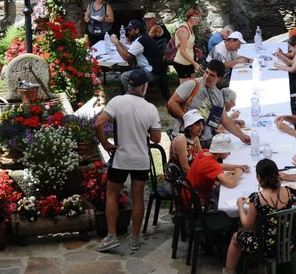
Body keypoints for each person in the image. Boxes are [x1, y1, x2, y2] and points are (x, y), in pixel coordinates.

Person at [215, 159, 296, 274]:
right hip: (286, 245)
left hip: (264, 248)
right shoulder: (290, 192)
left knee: (235, 237)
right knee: (260, 231)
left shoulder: (257, 198)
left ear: (259, 178)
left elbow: (247, 225)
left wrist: (239, 207)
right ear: (277, 175)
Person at [94, 69, 161, 252]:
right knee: (138, 196)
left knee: (111, 195)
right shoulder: (150, 108)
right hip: (141, 159)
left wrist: (106, 143)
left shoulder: (117, 102)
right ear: (143, 87)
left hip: (121, 158)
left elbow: (99, 123)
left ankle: (112, 235)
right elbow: (156, 139)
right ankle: (135, 238)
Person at [167, 59, 251, 148]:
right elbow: (172, 103)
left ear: (219, 78)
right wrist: (188, 119)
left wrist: (242, 136)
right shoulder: (192, 84)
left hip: (205, 139)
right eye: (206, 72)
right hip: (186, 137)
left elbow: (225, 120)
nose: (207, 76)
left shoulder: (218, 95)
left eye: (212, 75)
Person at [186, 133, 250, 210]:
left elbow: (217, 166)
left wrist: (237, 167)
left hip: (188, 192)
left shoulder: (204, 152)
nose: (229, 153)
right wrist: (238, 173)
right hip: (196, 201)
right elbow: (230, 183)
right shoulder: (212, 165)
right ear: (220, 152)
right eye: (227, 151)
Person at [109, 19, 164, 93]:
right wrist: (118, 42)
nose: (128, 32)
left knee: (124, 76)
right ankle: (134, 92)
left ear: (137, 30)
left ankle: (132, 96)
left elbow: (126, 57)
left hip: (152, 72)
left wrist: (116, 44)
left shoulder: (141, 41)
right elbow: (130, 51)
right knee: (129, 68)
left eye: (130, 30)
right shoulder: (142, 38)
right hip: (155, 69)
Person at [173, 7, 202, 83]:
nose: (197, 20)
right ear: (189, 18)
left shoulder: (190, 28)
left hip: (189, 61)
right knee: (185, 88)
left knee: (194, 83)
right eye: (195, 18)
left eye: (198, 18)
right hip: (182, 62)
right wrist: (194, 63)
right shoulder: (184, 30)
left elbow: (188, 44)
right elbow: (182, 51)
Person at [170, 109, 204, 173]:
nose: (201, 127)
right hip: (180, 177)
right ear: (189, 126)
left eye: (202, 124)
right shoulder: (181, 140)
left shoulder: (195, 137)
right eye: (198, 125)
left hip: (193, 172)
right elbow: (185, 168)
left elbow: (201, 157)